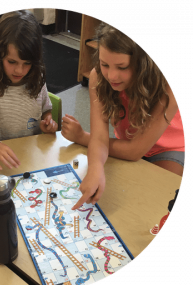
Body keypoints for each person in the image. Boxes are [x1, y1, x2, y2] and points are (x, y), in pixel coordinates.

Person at [61, 22, 185, 210]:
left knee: (157, 203)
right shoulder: (97, 77)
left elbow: (135, 151)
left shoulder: (166, 87)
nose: (111, 76)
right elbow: (101, 138)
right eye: (104, 64)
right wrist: (95, 167)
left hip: (168, 149)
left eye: (122, 67)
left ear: (143, 63)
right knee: (117, 200)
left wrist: (82, 137)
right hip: (125, 144)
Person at [0, 9, 58, 171]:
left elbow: (45, 110)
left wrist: (48, 121)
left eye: (27, 63)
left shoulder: (37, 78)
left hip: (27, 160)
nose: (19, 70)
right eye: (12, 61)